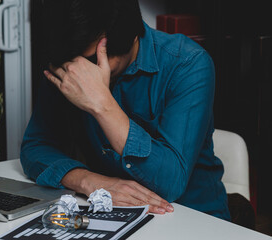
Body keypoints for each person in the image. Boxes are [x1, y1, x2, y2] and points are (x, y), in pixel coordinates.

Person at [20, 0, 231, 220]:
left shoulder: (188, 63)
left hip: (191, 216)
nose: (79, 71)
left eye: (90, 60)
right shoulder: (69, 61)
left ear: (128, 37)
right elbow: (35, 145)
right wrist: (87, 180)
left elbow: (170, 183)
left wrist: (102, 104)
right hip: (111, 212)